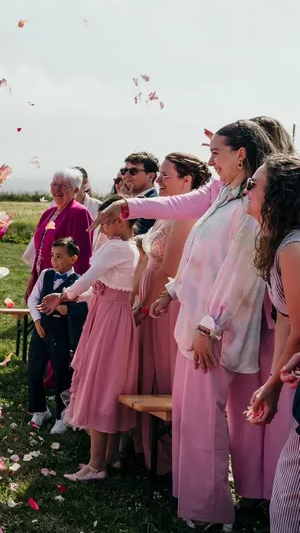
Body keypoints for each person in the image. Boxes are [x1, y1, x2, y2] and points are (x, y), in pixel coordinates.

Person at [96, 120, 274, 527]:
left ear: (241, 154)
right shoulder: (222, 192)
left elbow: (239, 273)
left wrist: (210, 326)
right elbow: (196, 247)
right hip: (197, 324)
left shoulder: (250, 204)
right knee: (194, 421)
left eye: (216, 153)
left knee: (205, 424)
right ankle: (200, 504)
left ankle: (213, 512)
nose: (210, 161)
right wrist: (172, 291)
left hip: (215, 331)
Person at [39, 196, 139, 481]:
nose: (99, 225)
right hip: (113, 315)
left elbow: (86, 279)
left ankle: (96, 465)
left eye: (103, 219)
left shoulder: (116, 247)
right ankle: (108, 457)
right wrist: (76, 297)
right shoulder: (129, 248)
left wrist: (64, 295)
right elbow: (99, 288)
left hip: (108, 320)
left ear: (119, 219)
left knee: (100, 383)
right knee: (108, 382)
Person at [132, 152, 211, 474]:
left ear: (187, 180)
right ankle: (145, 450)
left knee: (163, 374)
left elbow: (168, 268)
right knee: (147, 370)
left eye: (166, 176)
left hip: (167, 303)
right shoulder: (167, 214)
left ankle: (167, 460)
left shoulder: (186, 216)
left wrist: (147, 304)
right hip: (150, 296)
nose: (159, 181)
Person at [242, 154, 300, 533]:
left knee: (287, 500)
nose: (247, 189)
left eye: (254, 185)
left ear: (276, 196)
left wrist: (274, 383)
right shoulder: (284, 244)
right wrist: (274, 385)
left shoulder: (292, 248)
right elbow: (289, 322)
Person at [25, 237, 88, 435]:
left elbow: (84, 307)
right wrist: (36, 321)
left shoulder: (78, 282)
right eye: (52, 256)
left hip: (61, 334)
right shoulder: (45, 274)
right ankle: (40, 409)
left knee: (61, 373)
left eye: (59, 257)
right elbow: (33, 298)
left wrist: (67, 310)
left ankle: (62, 415)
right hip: (41, 330)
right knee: (34, 369)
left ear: (73, 259)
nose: (54, 261)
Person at [24, 169, 93, 303]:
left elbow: (82, 256)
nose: (57, 189)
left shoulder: (79, 213)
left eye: (63, 185)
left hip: (62, 284)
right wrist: (32, 279)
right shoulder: (49, 213)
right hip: (44, 280)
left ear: (75, 190)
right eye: (54, 185)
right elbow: (39, 250)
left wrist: (72, 293)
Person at [120, 152, 159, 234]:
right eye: (124, 170)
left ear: (151, 176)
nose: (126, 175)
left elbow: (129, 236)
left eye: (133, 171)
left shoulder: (152, 203)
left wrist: (123, 200)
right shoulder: (132, 199)